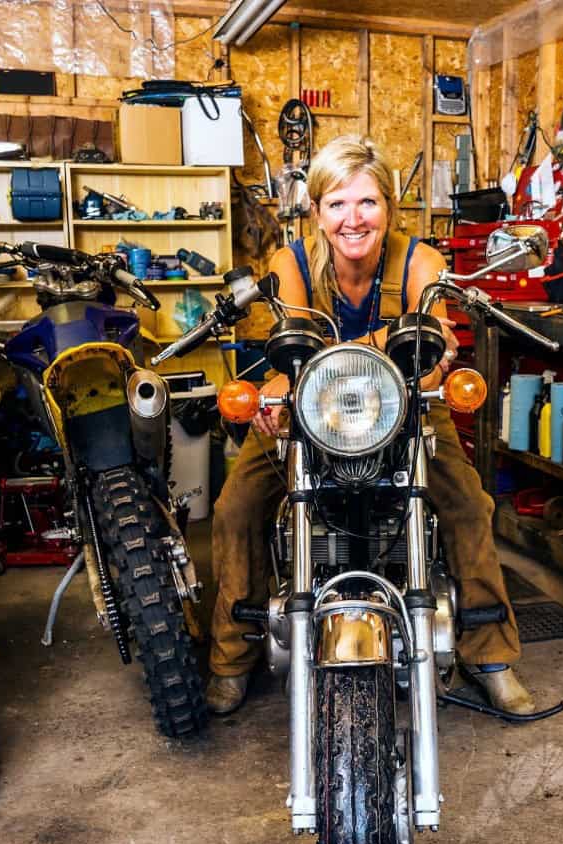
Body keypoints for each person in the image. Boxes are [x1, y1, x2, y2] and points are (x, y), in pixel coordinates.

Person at [205, 135, 535, 716]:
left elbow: (431, 341)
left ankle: (490, 654)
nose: (352, 219)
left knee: (467, 504)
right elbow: (294, 350)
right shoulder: (292, 263)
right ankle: (234, 656)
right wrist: (289, 384)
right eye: (336, 204)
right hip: (311, 407)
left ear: (388, 205)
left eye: (366, 203)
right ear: (316, 212)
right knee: (235, 509)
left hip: (403, 401)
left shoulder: (420, 262)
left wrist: (355, 352)